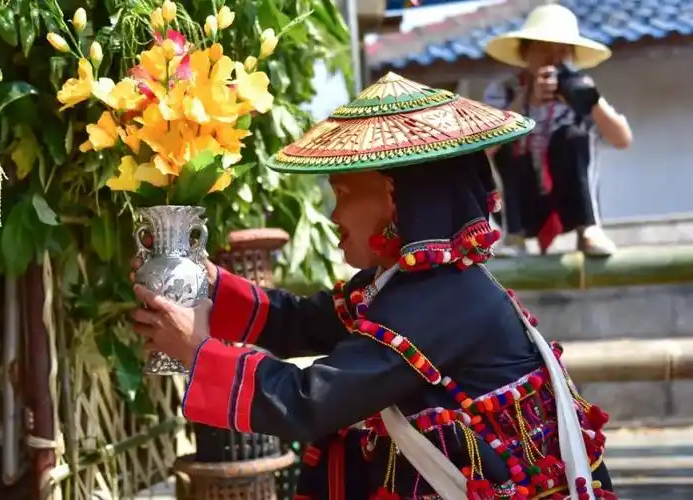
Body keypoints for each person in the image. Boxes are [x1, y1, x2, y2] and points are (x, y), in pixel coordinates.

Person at [131, 73, 615, 499]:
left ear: (394, 198)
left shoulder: (435, 302)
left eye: (342, 194)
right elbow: (301, 322)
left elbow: (309, 401)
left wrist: (198, 353)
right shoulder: (406, 284)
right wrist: (211, 285)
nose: (334, 215)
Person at [482, 4, 632, 256]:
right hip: (520, 204)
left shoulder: (580, 90)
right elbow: (484, 151)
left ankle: (589, 230)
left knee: (574, 137)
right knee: (506, 142)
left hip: (567, 201)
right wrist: (524, 103)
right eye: (542, 48)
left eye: (561, 51)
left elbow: (622, 139)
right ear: (525, 52)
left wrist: (591, 100)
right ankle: (514, 236)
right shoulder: (504, 91)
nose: (552, 59)